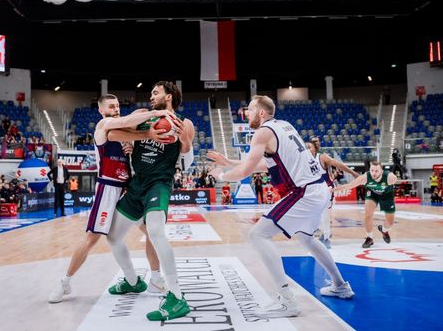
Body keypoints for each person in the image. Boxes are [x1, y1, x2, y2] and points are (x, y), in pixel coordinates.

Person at [208, 95, 354, 319]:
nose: (246, 114)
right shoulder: (285, 126)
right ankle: (340, 285)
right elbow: (267, 165)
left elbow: (246, 171)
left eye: (250, 110)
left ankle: (287, 301)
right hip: (318, 189)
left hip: (304, 192)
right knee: (306, 238)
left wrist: (221, 175)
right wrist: (229, 162)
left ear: (261, 113)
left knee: (258, 234)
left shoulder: (262, 132)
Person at [48, 94, 173, 304]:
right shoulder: (103, 125)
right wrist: (156, 114)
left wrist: (133, 146)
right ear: (101, 110)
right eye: (111, 106)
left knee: (151, 231)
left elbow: (133, 124)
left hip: (127, 188)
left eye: (117, 106)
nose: (116, 109)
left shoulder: (125, 133)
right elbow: (129, 121)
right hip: (108, 187)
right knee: (92, 238)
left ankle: (154, 279)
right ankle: (65, 282)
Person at [105, 81, 195, 321]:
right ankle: (132, 281)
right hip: (137, 184)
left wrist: (184, 140)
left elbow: (186, 160)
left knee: (155, 231)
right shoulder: (143, 115)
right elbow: (112, 133)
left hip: (159, 183)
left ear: (169, 96)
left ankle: (176, 296)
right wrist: (144, 134)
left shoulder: (184, 123)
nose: (151, 96)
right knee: (112, 236)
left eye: (156, 92)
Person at [307, 137, 360, 249]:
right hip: (315, 190)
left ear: (315, 148)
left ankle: (326, 237)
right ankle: (323, 232)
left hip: (326, 189)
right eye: (306, 147)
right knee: (313, 213)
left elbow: (339, 165)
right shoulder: (305, 160)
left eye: (309, 147)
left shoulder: (322, 157)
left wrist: (353, 173)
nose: (307, 149)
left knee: (323, 213)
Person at [333, 161, 398, 248]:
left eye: (376, 171)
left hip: (386, 195)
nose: (373, 173)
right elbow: (349, 186)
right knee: (368, 215)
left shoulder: (389, 177)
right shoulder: (365, 177)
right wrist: (332, 190)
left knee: (390, 222)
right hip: (372, 193)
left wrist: (394, 178)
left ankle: (384, 230)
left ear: (381, 171)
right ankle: (369, 238)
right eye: (372, 170)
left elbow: (394, 178)